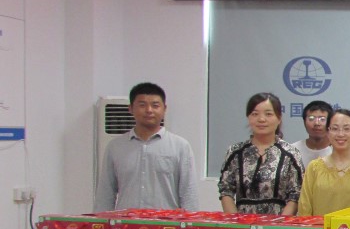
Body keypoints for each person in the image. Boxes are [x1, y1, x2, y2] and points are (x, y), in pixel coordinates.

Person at [94, 82, 199, 212]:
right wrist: (100, 222)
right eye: (142, 105)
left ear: (164, 109)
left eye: (155, 105)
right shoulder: (115, 147)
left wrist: (190, 221)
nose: (149, 110)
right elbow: (105, 194)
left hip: (166, 223)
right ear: (130, 109)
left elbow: (189, 193)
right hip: (126, 223)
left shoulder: (180, 147)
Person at [219, 92, 304, 215]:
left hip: (279, 222)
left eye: (268, 114)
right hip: (241, 222)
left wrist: (280, 223)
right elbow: (225, 190)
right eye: (255, 114)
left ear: (279, 118)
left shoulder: (290, 154)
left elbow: (296, 194)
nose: (261, 119)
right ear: (248, 117)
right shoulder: (235, 152)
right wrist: (235, 221)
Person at [298, 108, 350, 215]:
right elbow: (304, 210)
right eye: (335, 129)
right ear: (328, 132)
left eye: (346, 129)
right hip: (319, 226)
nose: (340, 134)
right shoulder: (314, 168)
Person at [291, 100, 333, 167]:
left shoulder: (338, 151)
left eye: (322, 119)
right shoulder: (292, 150)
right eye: (311, 119)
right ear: (304, 122)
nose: (317, 123)